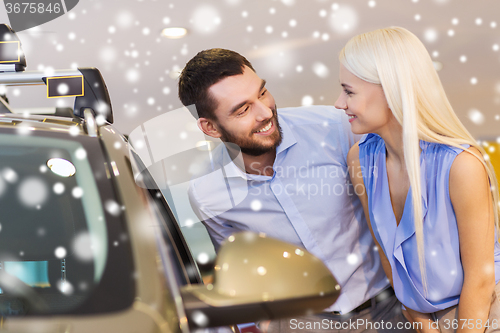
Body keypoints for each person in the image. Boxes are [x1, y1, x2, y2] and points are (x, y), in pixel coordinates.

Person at [178, 48, 414, 332]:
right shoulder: (207, 192)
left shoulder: (335, 128)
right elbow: (242, 274)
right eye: (243, 109)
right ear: (210, 127)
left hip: (389, 310)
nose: (265, 112)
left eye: (262, 93)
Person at [335, 26, 500, 333]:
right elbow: (388, 254)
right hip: (419, 318)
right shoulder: (359, 160)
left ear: (390, 90)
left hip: (482, 312)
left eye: (349, 91)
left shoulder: (460, 165)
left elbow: (480, 279)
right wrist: (421, 323)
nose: (339, 103)